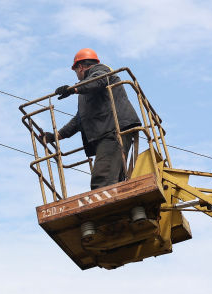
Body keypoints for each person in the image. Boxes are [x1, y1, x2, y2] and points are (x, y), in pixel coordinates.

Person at [41, 48, 142, 189]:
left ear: (80, 67)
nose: (76, 75)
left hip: (113, 131)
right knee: (114, 181)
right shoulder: (86, 89)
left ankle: (106, 209)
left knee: (102, 181)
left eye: (75, 71)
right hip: (108, 132)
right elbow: (80, 119)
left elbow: (98, 80)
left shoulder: (101, 71)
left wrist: (73, 89)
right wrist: (56, 136)